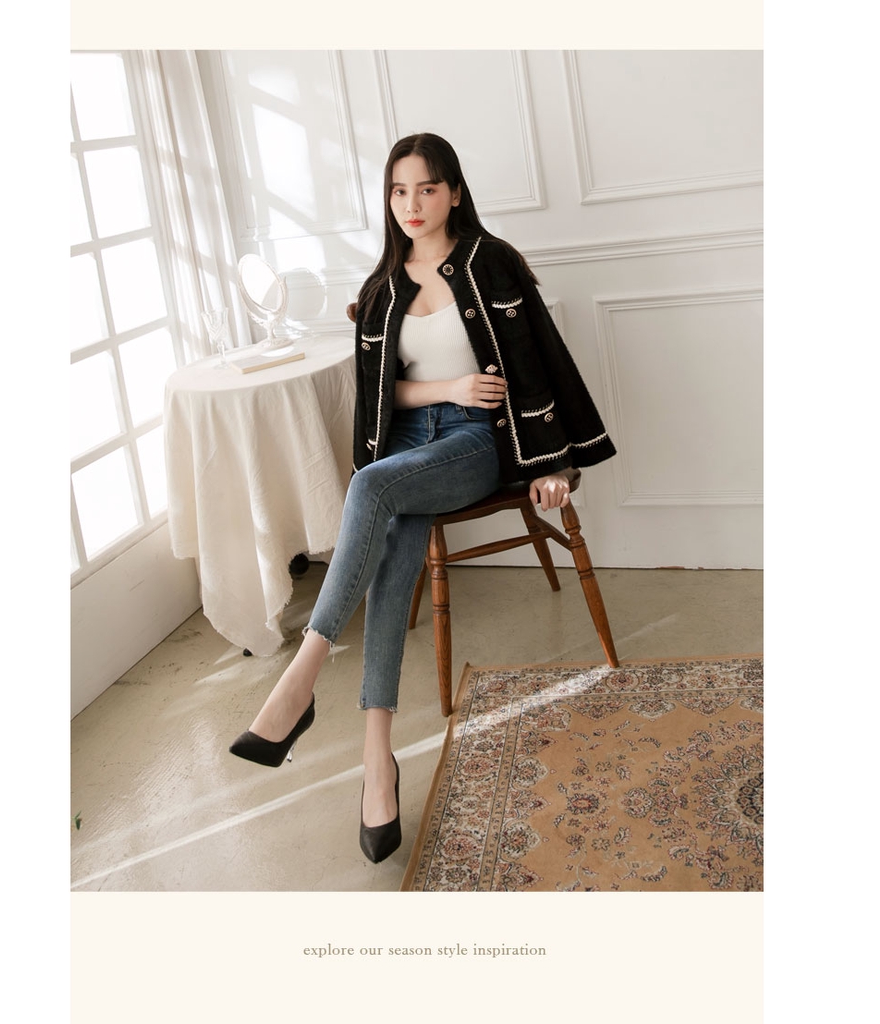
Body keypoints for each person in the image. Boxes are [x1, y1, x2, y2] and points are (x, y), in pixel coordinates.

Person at [228, 133, 616, 864]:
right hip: (407, 441)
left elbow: (542, 360)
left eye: (428, 188)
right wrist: (448, 386)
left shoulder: (491, 263)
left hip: (473, 443)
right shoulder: (382, 289)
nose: (412, 204)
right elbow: (385, 396)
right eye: (399, 190)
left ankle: (302, 677)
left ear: (455, 193)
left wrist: (559, 464)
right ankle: (378, 760)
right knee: (393, 537)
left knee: (371, 487)